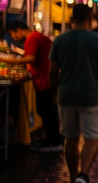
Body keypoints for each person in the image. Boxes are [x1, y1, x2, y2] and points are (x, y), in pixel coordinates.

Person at [49, 4, 98, 183]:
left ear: (72, 18)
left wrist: (55, 93)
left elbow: (53, 71)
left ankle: (73, 182)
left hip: (66, 96)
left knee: (70, 139)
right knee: (92, 138)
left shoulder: (60, 40)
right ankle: (84, 175)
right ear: (91, 18)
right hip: (91, 97)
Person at [5, 20, 62, 151]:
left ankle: (53, 142)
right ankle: (52, 139)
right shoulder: (38, 36)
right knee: (47, 110)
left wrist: (11, 61)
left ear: (19, 30)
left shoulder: (32, 38)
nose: (13, 37)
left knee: (46, 111)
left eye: (12, 34)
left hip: (43, 80)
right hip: (45, 79)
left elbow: (30, 58)